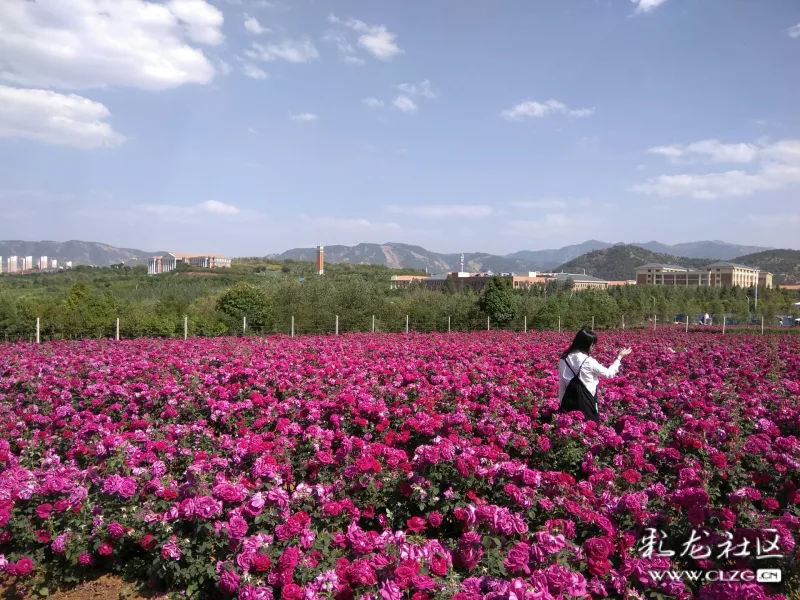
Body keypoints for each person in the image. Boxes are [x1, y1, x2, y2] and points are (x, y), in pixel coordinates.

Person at [557, 328, 632, 423]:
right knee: (589, 427)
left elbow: (562, 385)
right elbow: (609, 374)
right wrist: (619, 358)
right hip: (586, 401)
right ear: (586, 344)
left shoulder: (564, 359)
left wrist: (561, 404)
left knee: (571, 427)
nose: (593, 347)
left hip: (569, 400)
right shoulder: (588, 361)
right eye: (592, 344)